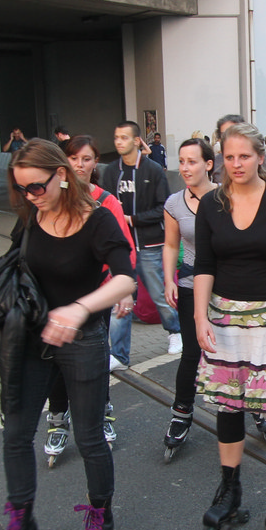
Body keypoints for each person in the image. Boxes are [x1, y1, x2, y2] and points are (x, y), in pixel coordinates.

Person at [0, 140, 136, 530]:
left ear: (61, 175)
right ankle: (20, 528)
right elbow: (8, 261)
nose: (29, 196)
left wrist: (79, 309)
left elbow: (125, 279)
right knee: (16, 432)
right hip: (32, 338)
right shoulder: (31, 214)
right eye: (22, 189)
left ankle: (99, 523)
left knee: (90, 437)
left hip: (82, 339)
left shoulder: (97, 219)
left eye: (36, 187)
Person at [193, 121, 266, 530]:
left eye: (244, 156)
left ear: (260, 157)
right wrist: (200, 317)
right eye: (229, 157)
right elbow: (204, 264)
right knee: (228, 406)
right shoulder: (211, 204)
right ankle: (230, 489)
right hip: (224, 320)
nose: (236, 164)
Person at [43, 136, 136, 460]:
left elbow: (125, 250)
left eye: (86, 159)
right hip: (55, 297)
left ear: (96, 162)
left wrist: (123, 290)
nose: (79, 165)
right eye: (73, 158)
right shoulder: (48, 200)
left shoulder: (106, 202)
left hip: (96, 295)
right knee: (55, 359)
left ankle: (102, 411)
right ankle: (57, 418)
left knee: (97, 356)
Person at [100, 121, 181, 364]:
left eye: (124, 137)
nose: (119, 142)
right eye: (116, 137)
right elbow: (104, 206)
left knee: (158, 294)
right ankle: (119, 354)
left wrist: (132, 219)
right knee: (120, 300)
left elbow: (163, 207)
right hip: (121, 248)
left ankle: (175, 331)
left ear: (137, 141)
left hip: (149, 245)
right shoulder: (111, 171)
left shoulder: (153, 170)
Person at [160, 137, 216, 460]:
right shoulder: (174, 203)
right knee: (192, 353)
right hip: (190, 284)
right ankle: (181, 413)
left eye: (191, 161)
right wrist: (169, 279)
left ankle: (256, 408)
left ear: (208, 164)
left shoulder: (227, 195)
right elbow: (171, 245)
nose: (184, 168)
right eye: (181, 161)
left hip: (226, 286)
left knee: (236, 351)